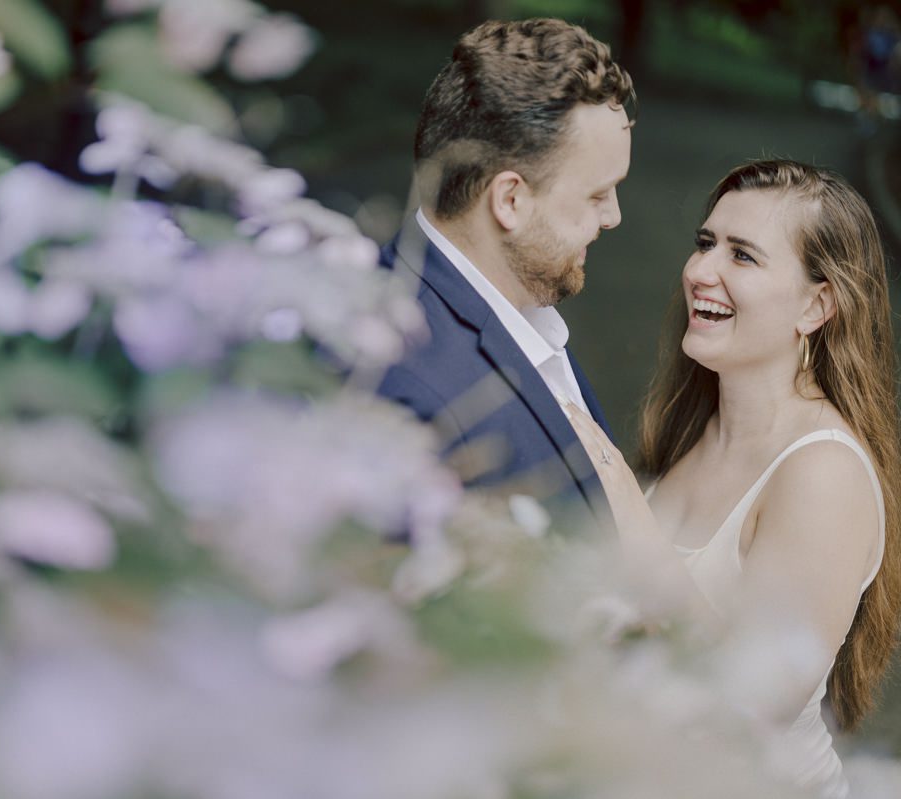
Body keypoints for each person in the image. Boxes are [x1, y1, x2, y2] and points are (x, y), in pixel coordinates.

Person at [564, 159, 901, 798]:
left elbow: (751, 710)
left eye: (743, 256)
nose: (700, 272)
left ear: (817, 304)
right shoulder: (692, 425)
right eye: (705, 243)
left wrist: (630, 521)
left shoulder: (821, 473)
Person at [377, 18, 634, 530]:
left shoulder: (515, 302)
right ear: (510, 200)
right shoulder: (411, 399)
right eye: (597, 194)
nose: (614, 217)